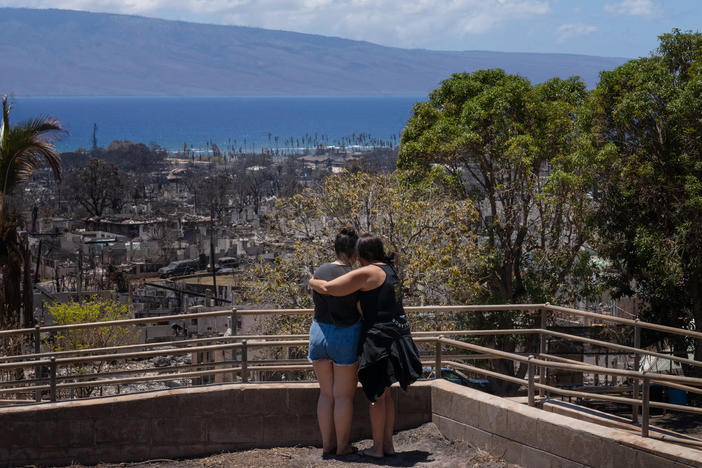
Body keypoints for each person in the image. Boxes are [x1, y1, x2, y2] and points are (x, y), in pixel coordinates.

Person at [309, 233, 422, 459]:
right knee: (384, 396)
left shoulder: (368, 271)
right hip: (395, 336)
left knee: (372, 396)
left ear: (365, 254)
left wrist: (311, 281)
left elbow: (331, 288)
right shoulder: (390, 269)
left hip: (372, 339)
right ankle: (384, 445)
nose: (357, 258)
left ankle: (376, 448)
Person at [307, 226, 362, 457]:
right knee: (343, 396)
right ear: (355, 253)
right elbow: (361, 310)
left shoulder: (319, 271)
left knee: (326, 394)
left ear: (335, 249)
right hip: (345, 335)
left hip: (318, 333)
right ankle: (342, 447)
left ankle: (326, 445)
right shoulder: (354, 277)